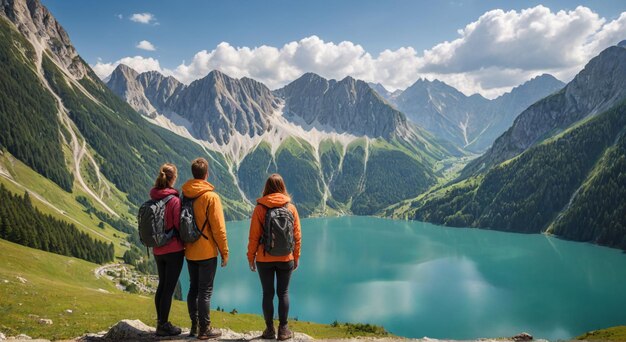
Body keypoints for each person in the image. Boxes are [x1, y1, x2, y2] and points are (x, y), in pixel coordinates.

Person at [247, 173, 302, 341]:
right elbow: (297, 236)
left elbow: (254, 237)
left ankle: (269, 329)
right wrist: (296, 257)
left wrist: (251, 257)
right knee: (283, 292)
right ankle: (283, 330)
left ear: (267, 188)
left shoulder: (259, 208)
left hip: (264, 258)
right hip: (286, 257)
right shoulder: (291, 208)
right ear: (282, 187)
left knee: (267, 294)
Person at [181, 157, 229, 340]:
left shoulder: (185, 194)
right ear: (206, 174)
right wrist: (224, 252)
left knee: (193, 288)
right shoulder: (211, 197)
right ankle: (205, 329)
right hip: (207, 252)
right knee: (205, 291)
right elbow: (219, 229)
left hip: (190, 250)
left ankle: (194, 326)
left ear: (193, 174)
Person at [151, 163, 184, 336]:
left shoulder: (154, 196)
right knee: (169, 289)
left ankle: (160, 322)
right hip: (173, 250)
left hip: (157, 250)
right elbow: (178, 225)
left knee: (162, 285)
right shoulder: (173, 200)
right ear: (174, 178)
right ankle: (163, 325)